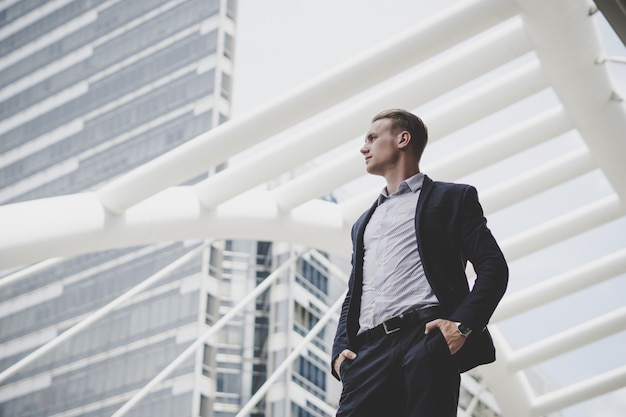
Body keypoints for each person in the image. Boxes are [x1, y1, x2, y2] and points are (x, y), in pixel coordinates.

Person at [331, 109, 508, 416]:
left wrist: (461, 326)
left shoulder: (453, 198)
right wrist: (339, 353)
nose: (364, 148)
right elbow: (354, 292)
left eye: (372, 138)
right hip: (367, 356)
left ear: (403, 139)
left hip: (426, 339)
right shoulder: (363, 222)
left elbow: (493, 268)